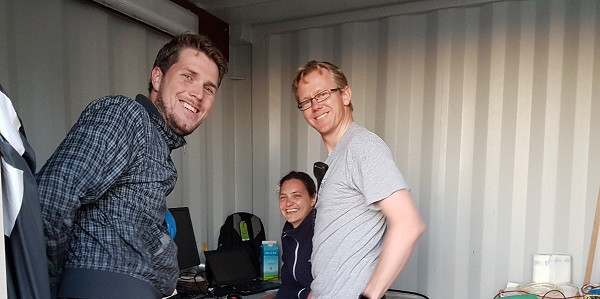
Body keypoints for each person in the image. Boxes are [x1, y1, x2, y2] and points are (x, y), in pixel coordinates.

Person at [36, 34, 228, 299]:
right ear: (158, 78)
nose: (198, 93)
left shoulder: (156, 143)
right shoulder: (125, 116)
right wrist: (46, 285)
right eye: (188, 76)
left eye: (209, 88)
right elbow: (52, 196)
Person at [291, 60, 425, 299]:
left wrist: (369, 296)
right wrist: (318, 290)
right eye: (306, 101)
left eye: (322, 94)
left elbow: (409, 224)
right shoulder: (338, 157)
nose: (315, 106)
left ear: (345, 95)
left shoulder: (362, 146)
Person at [270, 171, 317, 299]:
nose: (288, 203)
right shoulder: (288, 235)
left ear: (313, 199)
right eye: (283, 197)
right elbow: (288, 284)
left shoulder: (321, 233)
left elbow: (323, 289)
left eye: (296, 196)